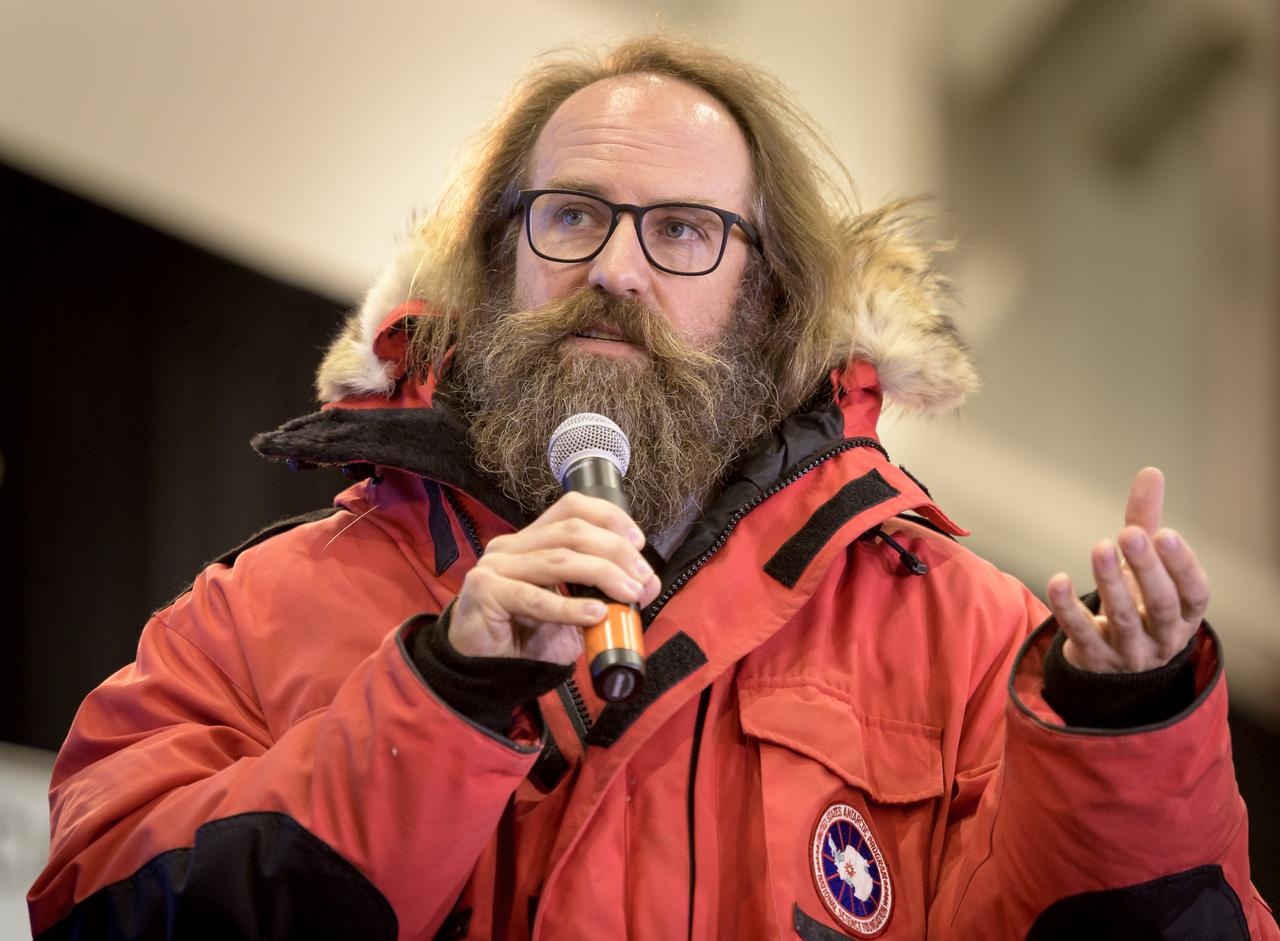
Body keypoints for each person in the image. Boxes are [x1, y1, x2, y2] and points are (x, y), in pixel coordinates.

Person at [28, 33, 1277, 941]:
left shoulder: (962, 643)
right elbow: (96, 910)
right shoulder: (263, 612)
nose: (615, 270)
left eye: (682, 230)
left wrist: (1123, 733)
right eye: (569, 216)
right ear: (496, 261)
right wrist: (439, 698)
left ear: (767, 294)